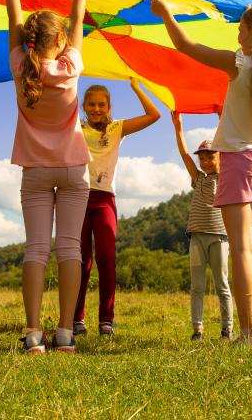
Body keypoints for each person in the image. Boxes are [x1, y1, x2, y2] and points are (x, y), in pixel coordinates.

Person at [153, 0, 252, 349]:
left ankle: (249, 334)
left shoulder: (239, 63)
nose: (237, 31)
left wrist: (166, 14)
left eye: (242, 26)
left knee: (241, 247)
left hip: (238, 157)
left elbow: (185, 45)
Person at [5, 0, 100, 354]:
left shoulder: (19, 66)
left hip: (35, 171)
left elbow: (13, 24)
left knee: (36, 250)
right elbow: (79, 21)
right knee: (70, 250)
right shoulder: (71, 66)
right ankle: (64, 332)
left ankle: (32, 333)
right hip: (73, 169)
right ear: (59, 42)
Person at [73, 80, 160, 337]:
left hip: (104, 200)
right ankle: (77, 318)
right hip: (77, 197)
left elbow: (154, 115)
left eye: (102, 104)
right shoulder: (76, 127)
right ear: (84, 106)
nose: (97, 108)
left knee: (107, 259)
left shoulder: (117, 128)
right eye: (92, 104)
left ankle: (106, 320)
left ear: (109, 106)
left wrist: (136, 86)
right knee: (80, 262)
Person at [171, 113, 234, 341]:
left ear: (220, 157)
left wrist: (223, 118)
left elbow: (230, 143)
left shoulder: (226, 176)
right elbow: (184, 155)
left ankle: (227, 329)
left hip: (219, 237)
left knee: (222, 284)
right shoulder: (198, 178)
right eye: (203, 158)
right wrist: (178, 128)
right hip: (197, 238)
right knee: (197, 286)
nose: (206, 161)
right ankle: (197, 329)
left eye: (211, 157)